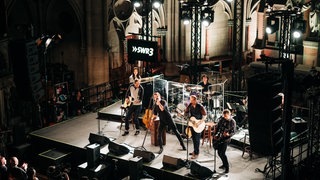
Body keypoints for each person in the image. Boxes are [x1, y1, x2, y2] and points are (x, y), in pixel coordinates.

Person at [213, 109, 236, 173]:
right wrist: (215, 134)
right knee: (219, 153)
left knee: (222, 153)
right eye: (224, 116)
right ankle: (224, 164)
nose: (225, 117)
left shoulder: (232, 122)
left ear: (229, 115)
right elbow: (217, 127)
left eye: (226, 116)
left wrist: (228, 134)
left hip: (226, 139)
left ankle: (227, 167)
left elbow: (233, 132)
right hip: (220, 137)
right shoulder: (222, 119)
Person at [184, 95, 207, 159]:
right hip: (192, 124)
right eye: (190, 100)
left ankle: (197, 153)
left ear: (195, 100)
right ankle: (195, 151)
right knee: (193, 139)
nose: (190, 101)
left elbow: (205, 116)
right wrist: (185, 115)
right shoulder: (190, 106)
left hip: (199, 125)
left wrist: (199, 122)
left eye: (191, 100)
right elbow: (186, 113)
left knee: (197, 139)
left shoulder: (200, 106)